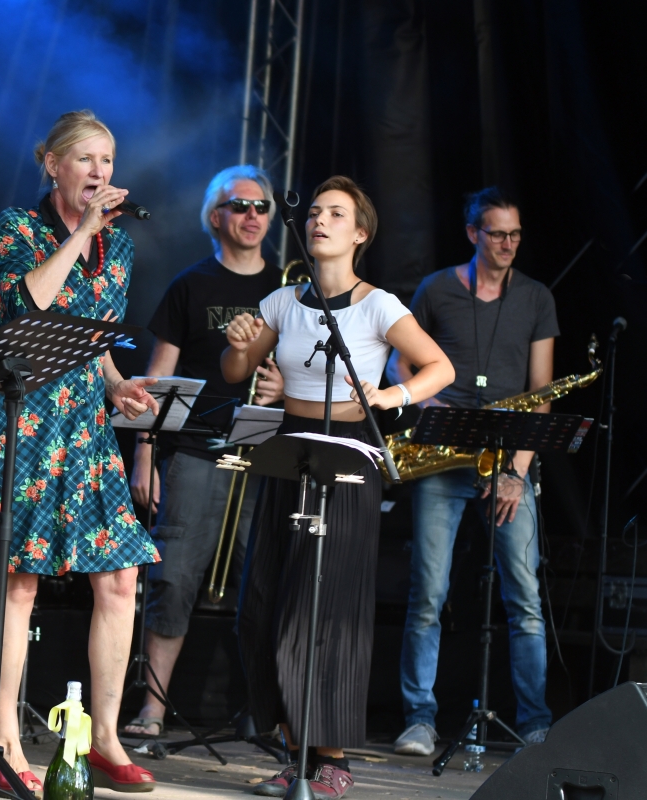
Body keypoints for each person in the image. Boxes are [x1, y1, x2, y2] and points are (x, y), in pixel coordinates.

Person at [221, 176, 454, 798]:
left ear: (360, 234)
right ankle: (294, 754)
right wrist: (238, 346)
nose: (319, 221)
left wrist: (391, 395)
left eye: (336, 214)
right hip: (287, 450)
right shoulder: (281, 301)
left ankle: (332, 760)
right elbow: (237, 370)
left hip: (349, 457)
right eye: (316, 212)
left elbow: (441, 367)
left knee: (325, 608)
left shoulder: (379, 305)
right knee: (263, 603)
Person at [0, 110, 160, 795]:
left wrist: (118, 384)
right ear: (53, 165)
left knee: (121, 578)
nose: (100, 172)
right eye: (86, 159)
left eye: (108, 160)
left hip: (84, 425)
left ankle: (104, 738)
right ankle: (4, 742)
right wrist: (80, 234)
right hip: (23, 419)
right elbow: (28, 305)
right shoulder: (18, 225)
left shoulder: (119, 247)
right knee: (18, 581)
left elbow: (93, 338)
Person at [387, 187, 557, 756]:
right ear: (472, 234)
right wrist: (429, 405)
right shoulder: (436, 288)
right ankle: (419, 719)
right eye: (497, 234)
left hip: (508, 463)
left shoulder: (536, 297)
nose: (508, 244)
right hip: (442, 459)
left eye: (515, 234)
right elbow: (399, 361)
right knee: (428, 595)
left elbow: (541, 393)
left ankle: (535, 725)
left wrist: (517, 473)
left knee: (525, 599)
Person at [123, 164, 284, 738]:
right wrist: (144, 458)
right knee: (174, 579)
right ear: (215, 216)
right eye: (239, 205)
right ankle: (152, 709)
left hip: (264, 454)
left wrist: (283, 388)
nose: (252, 215)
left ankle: (267, 714)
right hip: (193, 451)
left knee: (265, 587)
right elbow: (155, 380)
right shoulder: (190, 285)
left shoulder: (288, 290)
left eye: (261, 206)